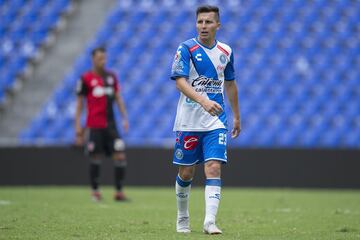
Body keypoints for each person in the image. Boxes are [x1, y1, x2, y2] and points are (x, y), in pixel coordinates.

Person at [170, 5, 241, 234]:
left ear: (218, 25)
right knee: (187, 173)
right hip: (189, 121)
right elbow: (180, 81)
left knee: (213, 168)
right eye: (200, 21)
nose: (203, 26)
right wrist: (203, 101)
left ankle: (209, 221)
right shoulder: (186, 49)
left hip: (216, 121)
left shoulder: (226, 51)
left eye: (208, 22)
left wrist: (237, 116)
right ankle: (182, 217)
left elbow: (230, 84)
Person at [75, 47, 129, 202]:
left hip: (111, 126)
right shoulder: (85, 79)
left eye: (104, 58)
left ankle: (119, 192)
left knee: (120, 155)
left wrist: (124, 118)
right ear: (93, 59)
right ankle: (95, 191)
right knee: (95, 158)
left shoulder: (111, 77)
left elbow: (118, 97)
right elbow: (79, 104)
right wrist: (78, 126)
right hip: (94, 126)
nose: (102, 61)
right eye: (100, 58)